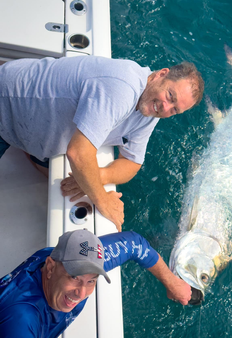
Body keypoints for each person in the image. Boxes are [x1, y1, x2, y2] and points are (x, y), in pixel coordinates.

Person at [0, 56, 204, 231]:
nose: (166, 107)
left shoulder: (152, 109)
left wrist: (98, 176)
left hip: (35, 127)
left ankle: (31, 152)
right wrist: (102, 199)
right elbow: (78, 153)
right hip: (7, 105)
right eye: (170, 95)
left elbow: (132, 163)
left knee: (68, 183)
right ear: (161, 74)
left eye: (175, 109)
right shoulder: (123, 87)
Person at [0, 229, 191, 338]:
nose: (81, 293)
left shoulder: (71, 259)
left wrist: (173, 283)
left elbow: (135, 244)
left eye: (91, 280)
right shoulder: (21, 319)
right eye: (74, 277)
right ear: (50, 267)